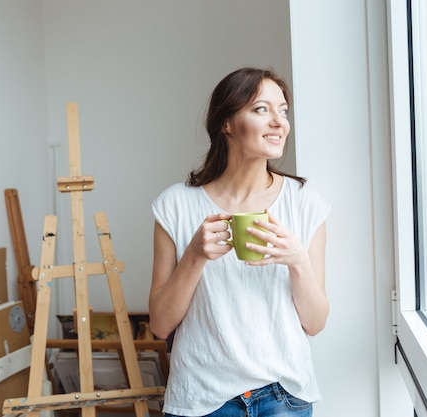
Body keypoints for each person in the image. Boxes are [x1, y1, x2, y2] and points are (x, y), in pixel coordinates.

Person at [149, 67, 331, 417]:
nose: (279, 121)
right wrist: (194, 256)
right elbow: (159, 324)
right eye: (262, 109)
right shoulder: (175, 205)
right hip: (201, 399)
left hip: (285, 398)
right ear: (225, 123)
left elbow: (315, 322)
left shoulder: (306, 203)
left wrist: (297, 260)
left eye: (283, 110)